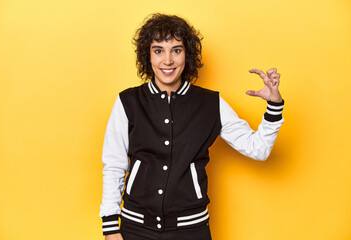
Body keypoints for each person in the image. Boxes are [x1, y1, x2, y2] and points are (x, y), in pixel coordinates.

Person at [99, 13, 284, 240]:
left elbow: (259, 149)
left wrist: (274, 105)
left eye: (176, 50)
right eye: (158, 50)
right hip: (135, 228)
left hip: (191, 230)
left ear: (187, 54)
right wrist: (110, 227)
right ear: (148, 56)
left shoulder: (211, 104)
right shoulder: (128, 102)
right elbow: (114, 166)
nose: (167, 60)